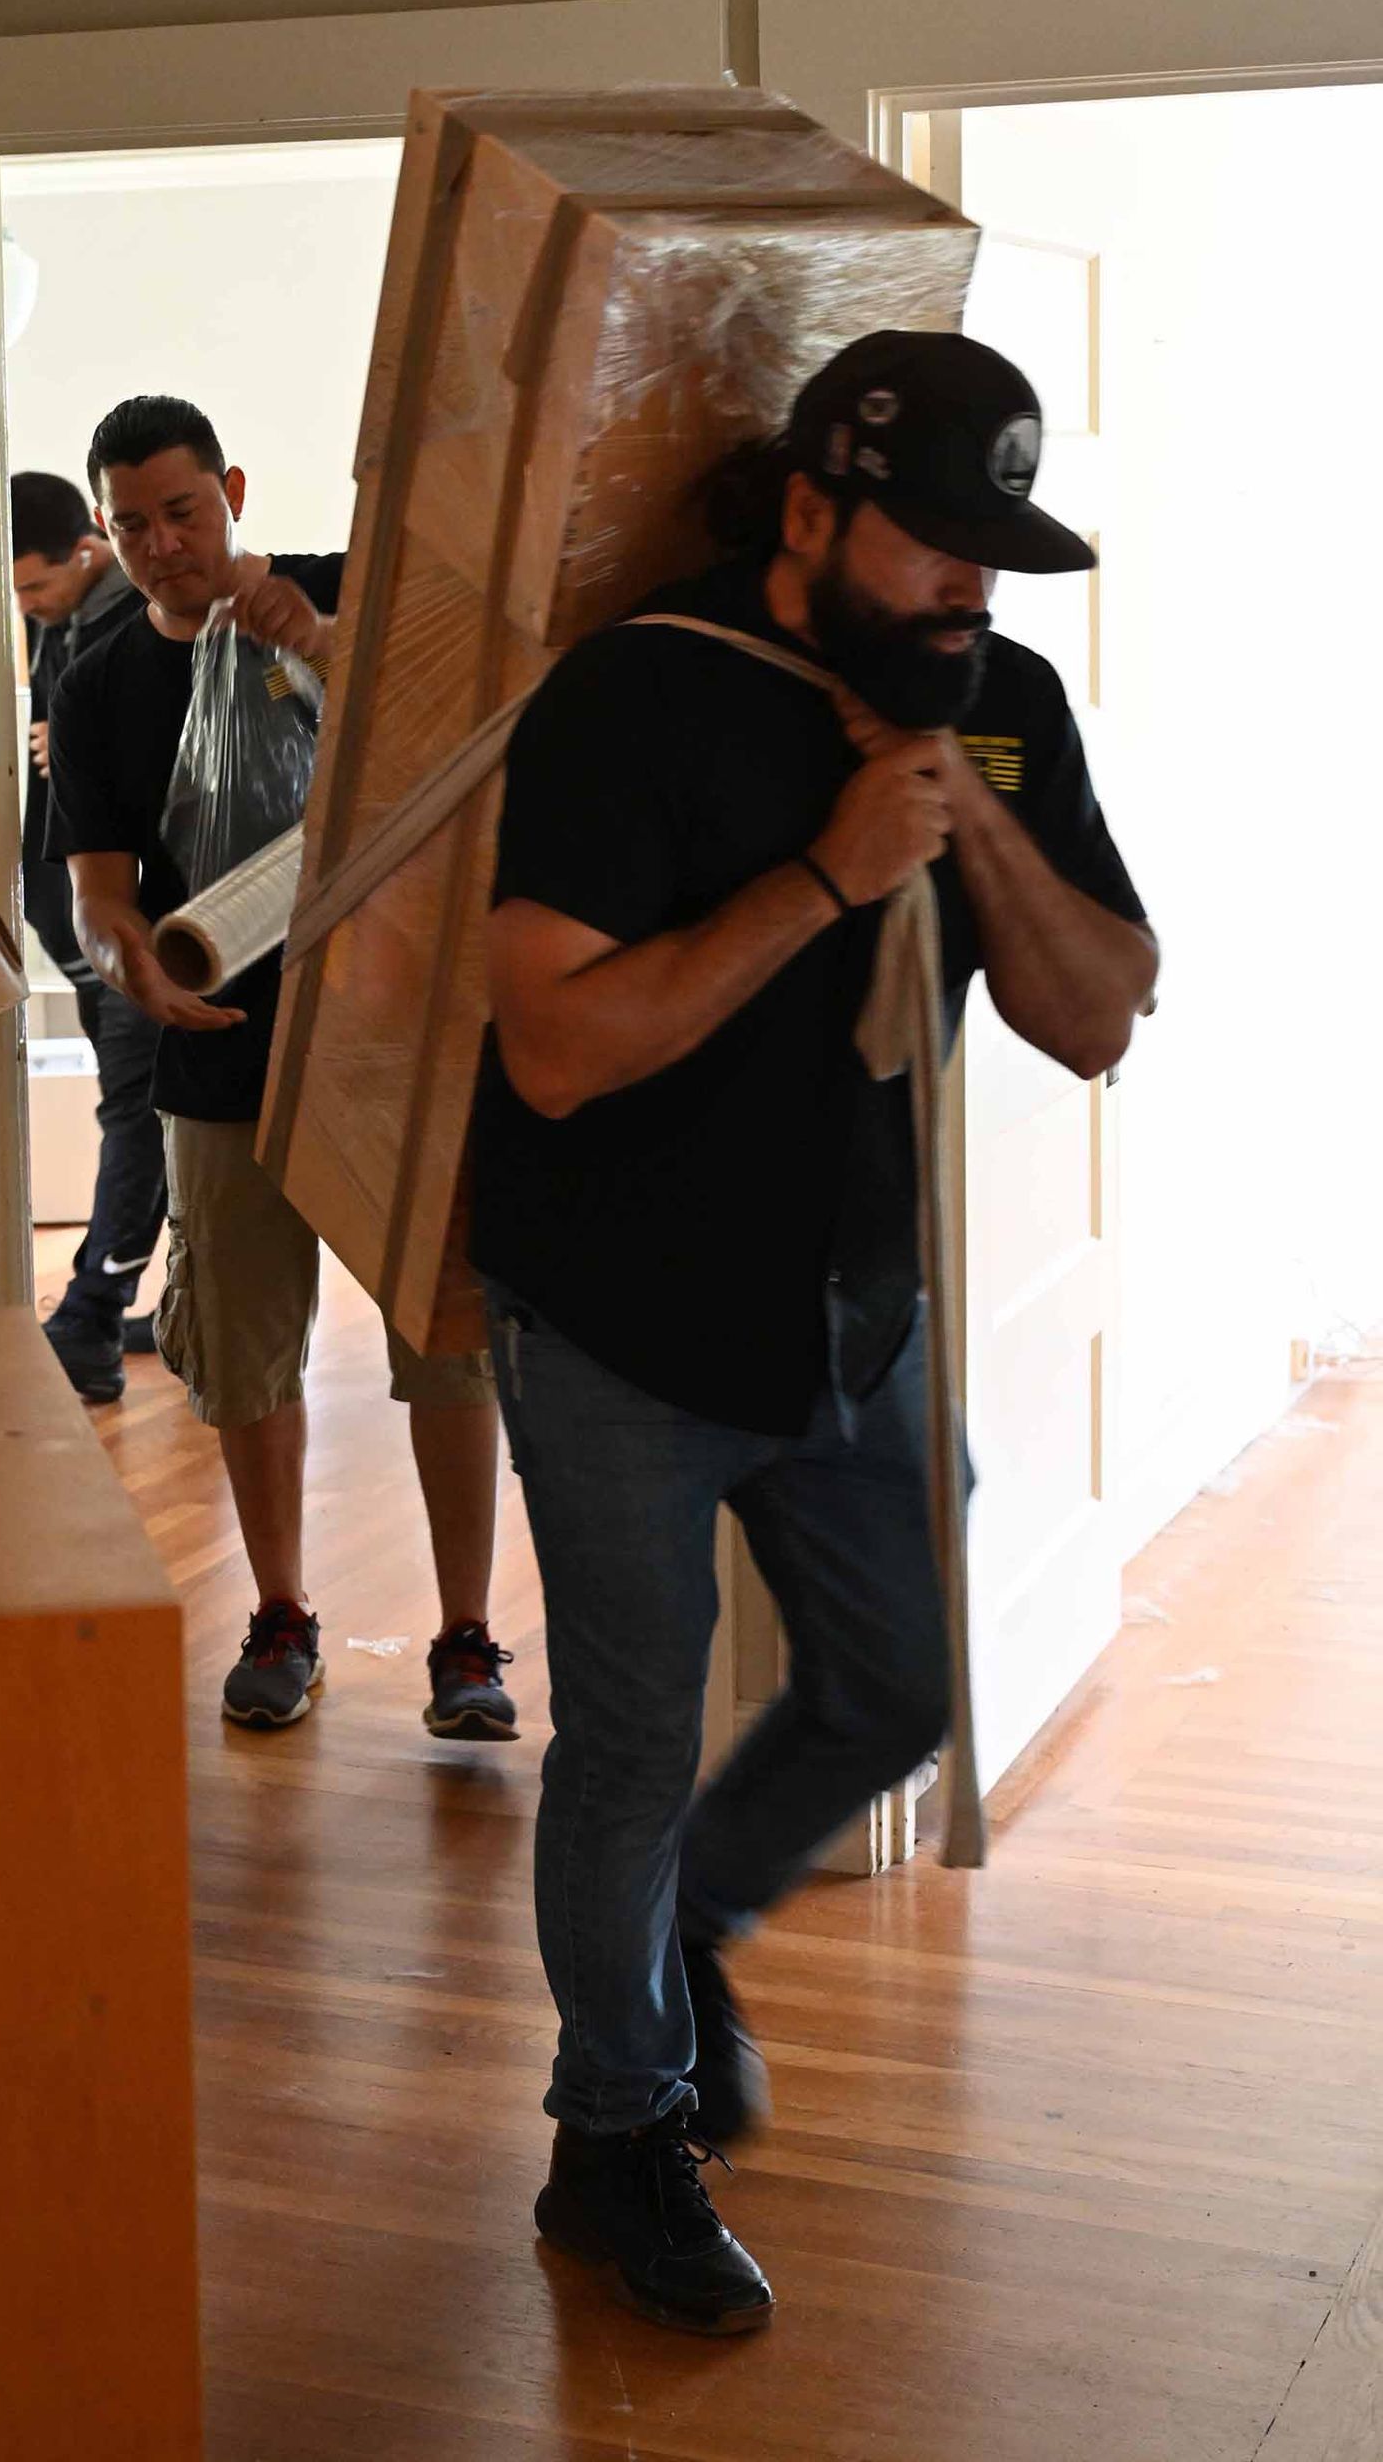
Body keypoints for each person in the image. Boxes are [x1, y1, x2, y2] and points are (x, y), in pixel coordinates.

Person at [472, 330, 1159, 2335]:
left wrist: (970, 824)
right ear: (809, 512)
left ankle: (682, 1931)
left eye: (993, 557)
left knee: (893, 1693)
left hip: (853, 1317)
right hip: (615, 1320)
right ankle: (616, 2138)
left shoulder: (996, 703)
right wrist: (825, 872)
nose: (970, 592)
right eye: (933, 549)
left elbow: (1101, 1008)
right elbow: (558, 1049)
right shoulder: (637, 699)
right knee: (624, 1743)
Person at [47, 394, 516, 1741]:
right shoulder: (99, 688)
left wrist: (313, 641)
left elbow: (456, 740)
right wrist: (128, 953)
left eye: (182, 512)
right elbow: (99, 888)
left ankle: (469, 1638)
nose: (159, 546)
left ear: (233, 490)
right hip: (222, 1059)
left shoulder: (338, 597)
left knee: (446, 1345)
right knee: (245, 1353)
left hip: (393, 1046)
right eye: (130, 524)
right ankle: (282, 1612)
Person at [11, 469, 167, 1401]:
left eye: (34, 587)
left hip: (138, 925)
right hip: (82, 923)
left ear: (87, 553)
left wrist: (69, 734)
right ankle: (145, 1305)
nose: (25, 606)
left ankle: (91, 1323)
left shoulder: (132, 627)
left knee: (135, 1112)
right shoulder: (62, 623)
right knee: (139, 1109)